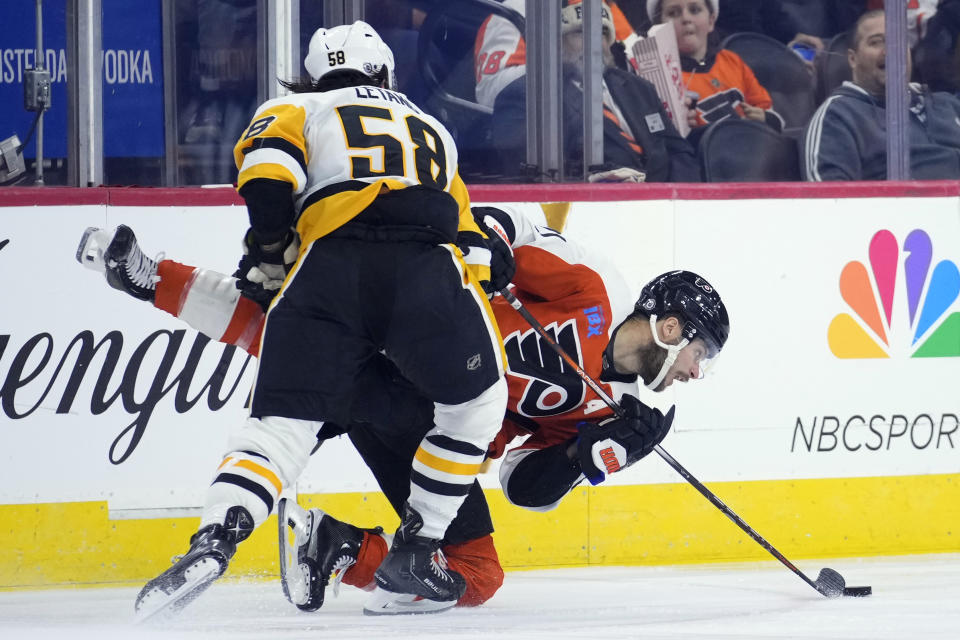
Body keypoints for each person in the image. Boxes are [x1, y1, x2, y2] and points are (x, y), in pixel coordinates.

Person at [78, 202, 730, 611]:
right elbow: (510, 225)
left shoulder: (611, 415)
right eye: (701, 353)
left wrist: (597, 453)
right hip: (410, 352)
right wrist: (493, 246)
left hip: (424, 426)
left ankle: (332, 546)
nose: (698, 373)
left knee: (476, 573)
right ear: (669, 329)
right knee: (291, 331)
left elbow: (524, 488)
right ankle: (152, 276)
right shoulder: (591, 289)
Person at [128, 21, 513, 619]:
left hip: (330, 266)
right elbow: (475, 246)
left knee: (278, 430)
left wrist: (269, 246)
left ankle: (216, 537)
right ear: (384, 72)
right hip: (424, 273)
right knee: (481, 402)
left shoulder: (297, 105)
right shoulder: (431, 126)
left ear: (314, 75)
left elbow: (266, 174)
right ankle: (416, 544)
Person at [490, 0, 700, 181]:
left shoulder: (639, 88)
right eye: (582, 33)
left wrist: (674, 198)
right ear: (558, 43)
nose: (594, 44)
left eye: (601, 32)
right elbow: (533, 176)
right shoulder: (528, 96)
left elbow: (679, 152)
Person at [803, 9, 960, 181]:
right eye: (876, 42)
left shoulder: (947, 104)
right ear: (852, 59)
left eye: (899, 41)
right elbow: (829, 201)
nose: (890, 51)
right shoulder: (837, 116)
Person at [646, 0, 785, 137]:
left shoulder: (732, 61)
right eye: (673, 13)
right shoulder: (657, 79)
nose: (686, 18)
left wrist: (766, 119)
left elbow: (771, 114)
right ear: (658, 28)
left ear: (711, 21)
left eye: (694, 10)